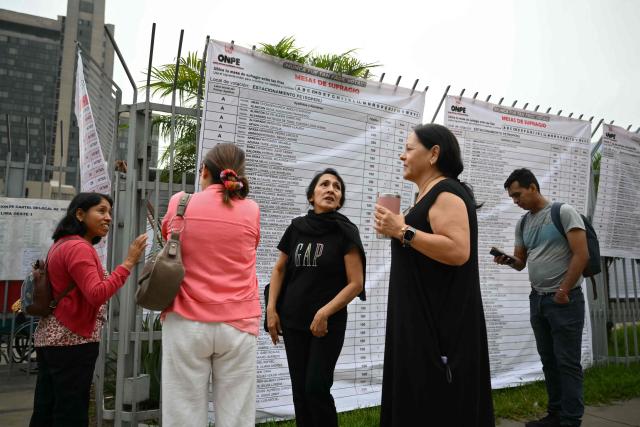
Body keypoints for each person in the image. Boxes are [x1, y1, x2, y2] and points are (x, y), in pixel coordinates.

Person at [375, 123, 495, 426]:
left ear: (434, 154)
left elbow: (457, 250)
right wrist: (401, 227)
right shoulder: (425, 196)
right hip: (417, 323)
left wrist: (402, 230)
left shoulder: (446, 192)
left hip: (439, 330)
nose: (402, 156)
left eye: (409, 149)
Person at [161, 143, 261, 427]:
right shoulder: (252, 209)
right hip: (238, 323)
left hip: (186, 320)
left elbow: (169, 237)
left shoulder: (181, 202)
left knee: (183, 413)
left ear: (204, 171)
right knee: (237, 417)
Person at [30, 192, 147, 427]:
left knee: (47, 408)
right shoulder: (78, 248)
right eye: (101, 211)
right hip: (71, 341)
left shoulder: (62, 244)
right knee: (70, 412)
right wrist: (129, 262)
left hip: (54, 339)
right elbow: (97, 294)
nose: (108, 218)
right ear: (80, 214)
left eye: (110, 213)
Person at [266, 168, 366, 427]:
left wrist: (324, 312)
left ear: (341, 200)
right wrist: (271, 309)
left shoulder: (346, 232)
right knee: (300, 391)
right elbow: (279, 269)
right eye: (324, 185)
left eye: (337, 186)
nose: (331, 189)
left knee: (316, 388)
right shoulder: (296, 228)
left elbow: (356, 283)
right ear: (311, 196)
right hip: (293, 320)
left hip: (327, 325)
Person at [496, 168, 588, 427]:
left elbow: (582, 255)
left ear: (533, 187)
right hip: (538, 300)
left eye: (518, 195)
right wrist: (508, 261)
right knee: (549, 360)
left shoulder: (563, 212)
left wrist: (563, 290)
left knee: (567, 362)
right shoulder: (523, 223)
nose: (515, 201)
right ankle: (555, 415)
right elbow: (521, 262)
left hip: (565, 301)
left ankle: (571, 420)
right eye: (512, 197)